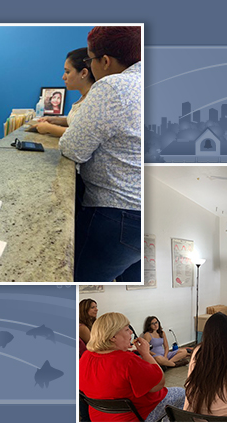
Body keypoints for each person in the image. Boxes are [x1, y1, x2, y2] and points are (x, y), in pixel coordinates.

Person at [59, 26, 142, 283]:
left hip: (115, 213)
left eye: (91, 59)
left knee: (79, 282)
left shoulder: (113, 86)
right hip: (143, 213)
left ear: (104, 61)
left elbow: (73, 148)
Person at [79, 312, 185, 422]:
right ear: (113, 337)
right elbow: (158, 384)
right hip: (132, 416)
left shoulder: (86, 356)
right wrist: (146, 354)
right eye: (126, 329)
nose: (131, 332)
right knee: (181, 393)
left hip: (99, 416)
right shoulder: (128, 361)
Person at [35, 48, 95, 137]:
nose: (63, 77)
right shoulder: (84, 96)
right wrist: (54, 120)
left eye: (67, 72)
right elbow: (77, 122)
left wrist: (48, 128)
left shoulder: (93, 101)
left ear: (83, 73)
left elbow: (79, 134)